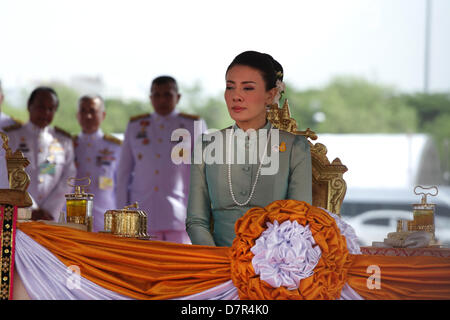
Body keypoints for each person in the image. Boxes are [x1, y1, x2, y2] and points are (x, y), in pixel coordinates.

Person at [186, 51, 312, 247]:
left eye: (248, 88)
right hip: (216, 265)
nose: (236, 96)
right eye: (230, 87)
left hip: (273, 269)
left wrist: (267, 264)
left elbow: (299, 222)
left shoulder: (295, 148)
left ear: (270, 95)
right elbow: (196, 222)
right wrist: (217, 263)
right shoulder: (206, 145)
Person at [116, 76, 207, 244]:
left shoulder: (192, 124)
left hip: (180, 214)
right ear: (150, 98)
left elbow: (203, 173)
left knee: (179, 266)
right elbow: (123, 174)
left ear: (177, 97)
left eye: (167, 94)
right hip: (142, 213)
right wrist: (123, 214)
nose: (162, 100)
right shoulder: (136, 126)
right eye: (156, 95)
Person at [3, 86, 76, 221]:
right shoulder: (10, 137)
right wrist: (30, 209)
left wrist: (49, 210)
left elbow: (67, 178)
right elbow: (6, 177)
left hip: (50, 217)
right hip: (18, 216)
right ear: (29, 106)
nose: (46, 112)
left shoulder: (63, 141)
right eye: (41, 107)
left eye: (51, 109)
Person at [73, 94, 122, 232]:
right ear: (77, 115)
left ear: (103, 115)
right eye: (83, 111)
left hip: (105, 216)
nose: (88, 116)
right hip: (72, 217)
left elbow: (123, 184)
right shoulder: (68, 145)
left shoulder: (116, 147)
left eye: (93, 111)